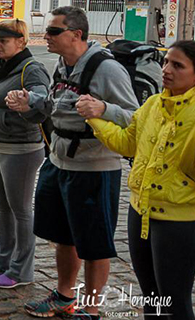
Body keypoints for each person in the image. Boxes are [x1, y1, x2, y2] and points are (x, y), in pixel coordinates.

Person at [8, 6, 138, 319]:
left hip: (94, 169)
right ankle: (64, 295)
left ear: (76, 34)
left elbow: (136, 118)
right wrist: (32, 102)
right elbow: (56, 106)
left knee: (94, 245)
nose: (46, 36)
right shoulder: (63, 66)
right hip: (58, 162)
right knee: (62, 237)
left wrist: (104, 107)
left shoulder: (107, 69)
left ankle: (91, 309)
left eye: (54, 31)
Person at [85, 41, 195, 320]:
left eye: (177, 65)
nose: (166, 70)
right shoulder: (153, 104)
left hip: (179, 221)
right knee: (152, 297)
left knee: (175, 299)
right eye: (165, 61)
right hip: (140, 211)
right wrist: (96, 119)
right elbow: (128, 143)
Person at [0, 20, 50, 289]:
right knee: (5, 207)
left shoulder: (32, 69)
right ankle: (2, 258)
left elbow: (43, 100)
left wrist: (27, 101)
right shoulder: (4, 66)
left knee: (21, 210)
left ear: (21, 42)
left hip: (21, 148)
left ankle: (22, 270)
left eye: (3, 40)